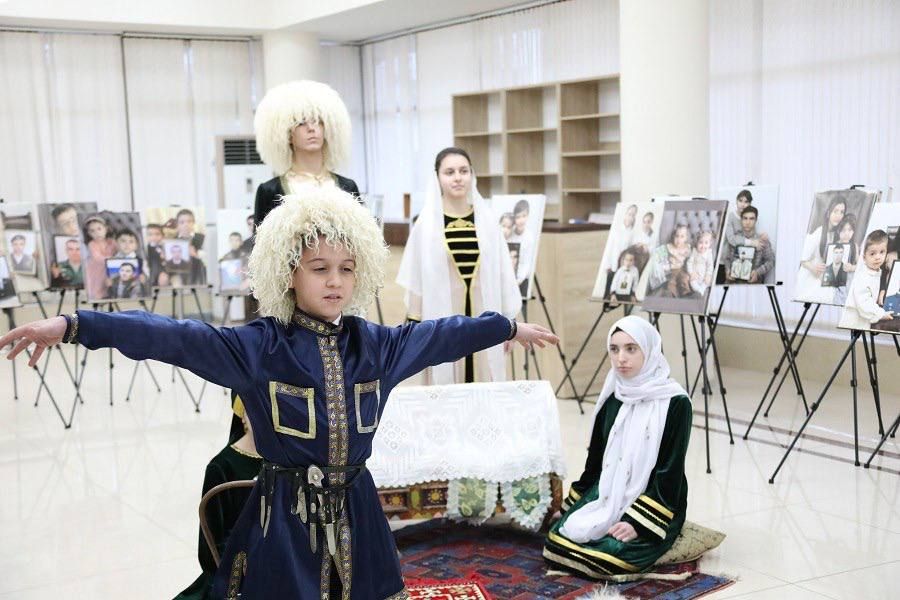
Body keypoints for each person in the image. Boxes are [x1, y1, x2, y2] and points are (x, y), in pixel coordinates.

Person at [1, 187, 558, 600]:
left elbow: (442, 334)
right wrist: (77, 326)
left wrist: (506, 327)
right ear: (290, 272)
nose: (335, 281)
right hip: (284, 519)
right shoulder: (259, 348)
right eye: (319, 269)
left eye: (346, 269)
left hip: (359, 509)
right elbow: (170, 336)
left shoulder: (377, 345)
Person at [544, 316, 691, 579]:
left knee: (613, 556)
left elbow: (671, 471)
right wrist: (570, 507)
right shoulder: (613, 397)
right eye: (614, 349)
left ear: (650, 350)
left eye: (631, 349)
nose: (621, 358)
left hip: (657, 496)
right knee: (557, 540)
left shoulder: (676, 402)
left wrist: (636, 524)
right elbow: (596, 466)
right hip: (610, 490)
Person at [397, 147, 522, 384]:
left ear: (472, 175)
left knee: (485, 385)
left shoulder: (486, 221)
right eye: (450, 172)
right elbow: (416, 279)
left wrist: (508, 324)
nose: (457, 177)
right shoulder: (427, 223)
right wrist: (414, 328)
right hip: (441, 317)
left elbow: (503, 274)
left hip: (484, 314)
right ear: (438, 178)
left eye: (464, 171)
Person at [175, 396, 263, 600]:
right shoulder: (221, 467)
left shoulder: (285, 462)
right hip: (238, 571)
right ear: (242, 415)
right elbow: (210, 546)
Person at [253, 80, 360, 228]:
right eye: (301, 123)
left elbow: (363, 241)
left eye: (317, 121)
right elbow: (261, 248)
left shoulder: (347, 186)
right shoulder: (270, 191)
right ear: (288, 134)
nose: (311, 128)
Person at [796, 195, 848, 303]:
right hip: (812, 277)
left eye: (842, 212)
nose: (838, 216)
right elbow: (803, 260)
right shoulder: (817, 234)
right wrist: (814, 268)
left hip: (825, 276)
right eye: (835, 211)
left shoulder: (837, 234)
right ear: (828, 212)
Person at [839, 229, 893, 331]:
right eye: (872, 254)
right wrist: (881, 314)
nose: (878, 257)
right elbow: (864, 303)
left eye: (882, 252)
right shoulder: (863, 277)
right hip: (856, 320)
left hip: (866, 317)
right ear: (864, 257)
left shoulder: (877, 272)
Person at [728, 206, 775, 284]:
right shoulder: (734, 239)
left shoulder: (762, 239)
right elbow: (727, 258)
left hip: (754, 285)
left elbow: (771, 261)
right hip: (733, 284)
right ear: (741, 220)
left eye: (751, 219)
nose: (748, 222)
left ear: (756, 220)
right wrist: (727, 270)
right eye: (745, 218)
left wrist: (757, 272)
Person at [648, 224, 692, 294]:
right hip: (671, 271)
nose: (679, 239)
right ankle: (673, 294)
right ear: (673, 236)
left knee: (685, 278)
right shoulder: (669, 247)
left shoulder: (687, 248)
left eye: (682, 237)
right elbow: (657, 253)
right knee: (671, 283)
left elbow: (690, 260)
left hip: (681, 269)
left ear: (686, 238)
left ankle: (686, 293)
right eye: (677, 236)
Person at [83, 215, 118, 300]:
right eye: (92, 231)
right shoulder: (92, 244)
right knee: (98, 286)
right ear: (89, 233)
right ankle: (99, 296)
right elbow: (97, 258)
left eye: (99, 229)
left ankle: (110, 293)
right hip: (97, 269)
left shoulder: (112, 242)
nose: (97, 233)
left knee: (110, 282)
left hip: (110, 268)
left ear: (106, 229)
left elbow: (118, 252)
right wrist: (111, 259)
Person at [507, 199, 536, 291]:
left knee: (521, 304)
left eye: (524, 216)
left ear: (528, 216)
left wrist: (518, 281)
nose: (521, 220)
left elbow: (527, 263)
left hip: (522, 280)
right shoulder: (509, 234)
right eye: (518, 217)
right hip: (509, 278)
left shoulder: (529, 237)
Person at [686, 230, 716, 295]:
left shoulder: (709, 253)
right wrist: (691, 273)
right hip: (695, 275)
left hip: (704, 275)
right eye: (700, 242)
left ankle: (701, 290)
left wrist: (708, 275)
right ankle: (699, 291)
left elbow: (710, 266)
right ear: (697, 243)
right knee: (692, 282)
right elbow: (689, 263)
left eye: (706, 243)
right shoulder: (694, 251)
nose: (703, 246)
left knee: (707, 282)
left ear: (709, 244)